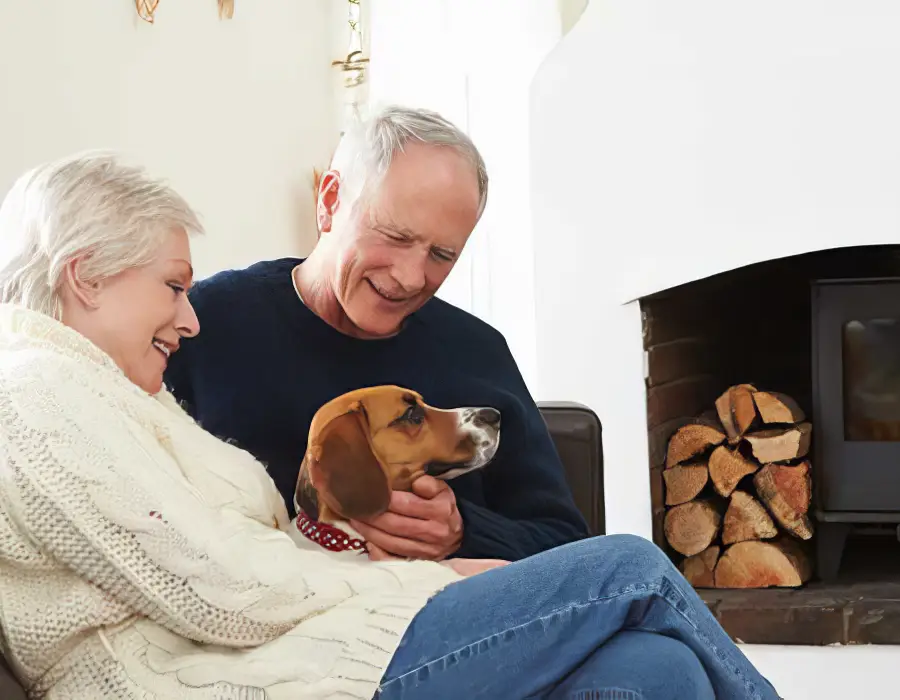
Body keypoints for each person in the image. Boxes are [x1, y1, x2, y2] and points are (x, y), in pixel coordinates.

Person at [0, 152, 781, 700]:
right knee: (630, 569)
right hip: (247, 670)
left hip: (312, 639)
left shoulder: (121, 394)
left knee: (656, 671)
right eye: (172, 287)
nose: (188, 316)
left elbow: (554, 531)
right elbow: (226, 585)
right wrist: (426, 578)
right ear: (86, 277)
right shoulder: (42, 399)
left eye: (441, 252)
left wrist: (458, 544)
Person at [163, 105, 590, 563]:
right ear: (329, 202)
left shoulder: (478, 351)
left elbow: (566, 543)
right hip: (263, 616)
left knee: (632, 566)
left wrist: (463, 532)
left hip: (455, 620)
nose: (409, 277)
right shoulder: (201, 324)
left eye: (441, 255)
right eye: (394, 235)